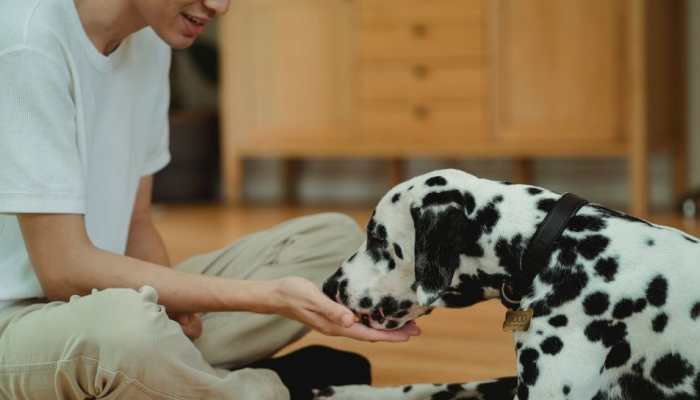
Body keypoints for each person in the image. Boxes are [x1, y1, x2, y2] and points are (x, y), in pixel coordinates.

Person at [0, 1, 420, 399]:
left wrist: (174, 309)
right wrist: (270, 297)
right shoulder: (27, 41)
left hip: (99, 302)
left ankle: (168, 378)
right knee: (129, 332)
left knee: (331, 242)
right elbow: (63, 269)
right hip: (17, 325)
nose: (220, 6)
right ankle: (281, 389)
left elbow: (136, 222)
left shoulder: (148, 40)